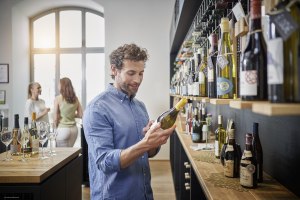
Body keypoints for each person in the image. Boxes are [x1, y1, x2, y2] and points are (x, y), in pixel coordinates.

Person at [83, 43, 176, 200]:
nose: (137, 80)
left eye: (141, 73)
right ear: (114, 70)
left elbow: (147, 154)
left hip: (144, 194)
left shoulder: (140, 106)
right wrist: (146, 143)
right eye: (131, 73)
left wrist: (154, 142)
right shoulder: (97, 108)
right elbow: (105, 162)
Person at [53, 77, 83, 147]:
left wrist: (55, 130)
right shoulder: (75, 99)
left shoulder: (58, 98)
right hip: (74, 130)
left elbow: (55, 118)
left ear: (62, 86)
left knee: (62, 155)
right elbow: (80, 115)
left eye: (59, 84)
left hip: (62, 129)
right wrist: (71, 114)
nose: (58, 86)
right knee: (70, 155)